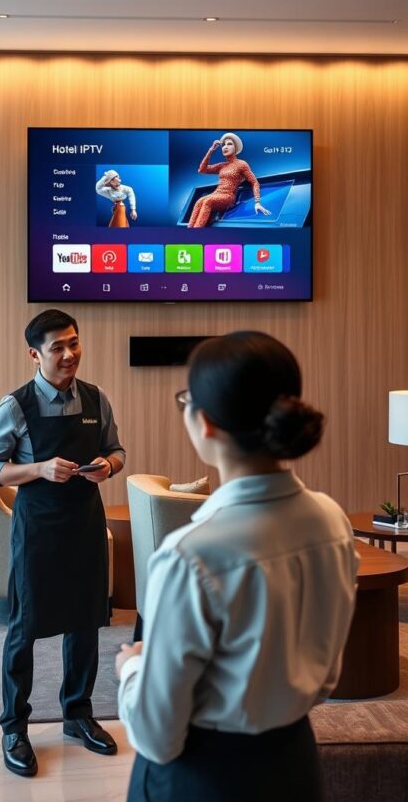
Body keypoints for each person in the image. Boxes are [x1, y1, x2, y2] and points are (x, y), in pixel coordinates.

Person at [116, 331, 358, 802]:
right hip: (294, 762)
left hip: (204, 778)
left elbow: (156, 734)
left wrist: (131, 668)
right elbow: (325, 675)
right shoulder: (332, 521)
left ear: (204, 421)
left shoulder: (190, 554)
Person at [0, 309, 125, 778]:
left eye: (74, 343)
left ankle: (77, 714)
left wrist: (109, 466)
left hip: (84, 523)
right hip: (38, 530)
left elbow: (117, 450)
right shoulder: (15, 406)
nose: (69, 355)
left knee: (85, 622)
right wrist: (39, 469)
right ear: (35, 354)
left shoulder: (96, 399)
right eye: (57, 347)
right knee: (24, 629)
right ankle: (14, 727)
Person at [187, 132, 271, 227]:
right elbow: (202, 170)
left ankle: (195, 234)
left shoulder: (241, 164)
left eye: (229, 144)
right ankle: (189, 231)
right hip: (216, 194)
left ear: (235, 148)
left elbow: (254, 182)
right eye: (224, 145)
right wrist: (211, 150)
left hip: (228, 197)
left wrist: (257, 202)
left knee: (207, 201)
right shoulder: (222, 166)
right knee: (199, 202)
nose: (225, 147)